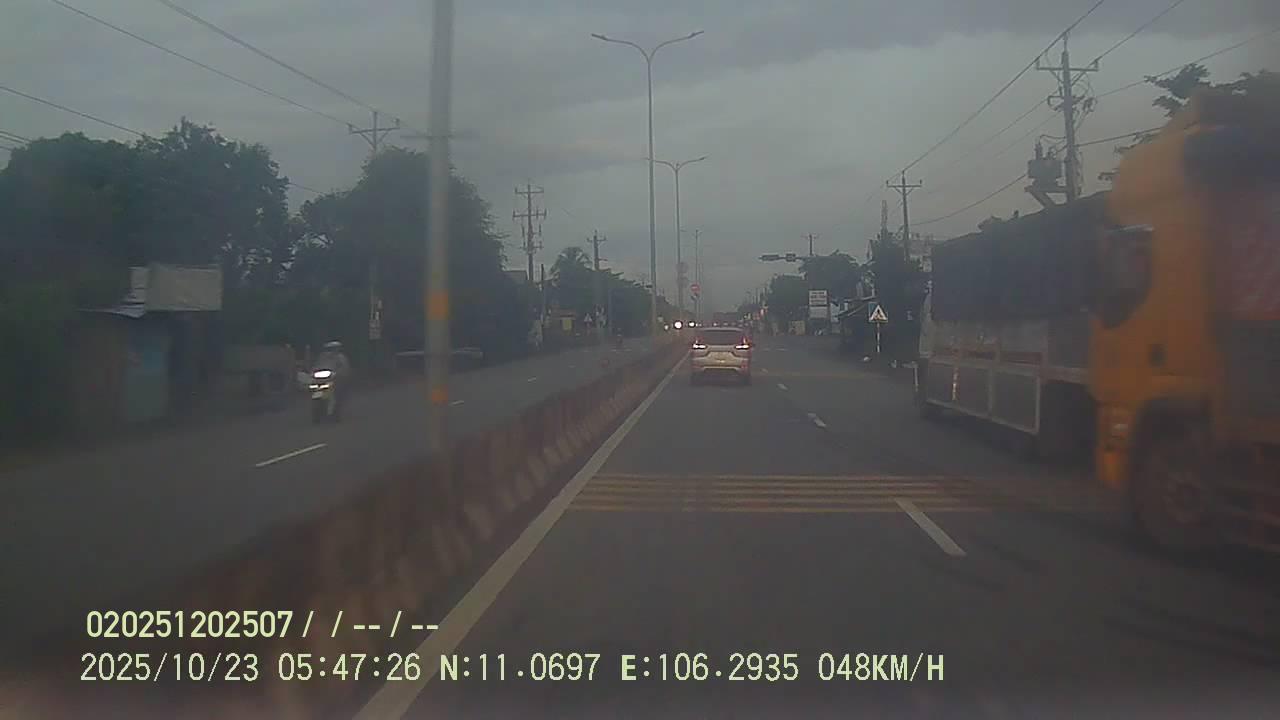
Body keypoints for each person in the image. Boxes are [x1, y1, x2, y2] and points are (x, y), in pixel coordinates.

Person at [312, 340, 352, 408]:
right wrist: (313, 371)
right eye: (330, 349)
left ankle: (338, 403)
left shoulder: (341, 357)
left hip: (336, 378)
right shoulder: (322, 356)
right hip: (323, 379)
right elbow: (317, 365)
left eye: (334, 348)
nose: (332, 350)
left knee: (338, 390)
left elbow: (344, 367)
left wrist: (338, 373)